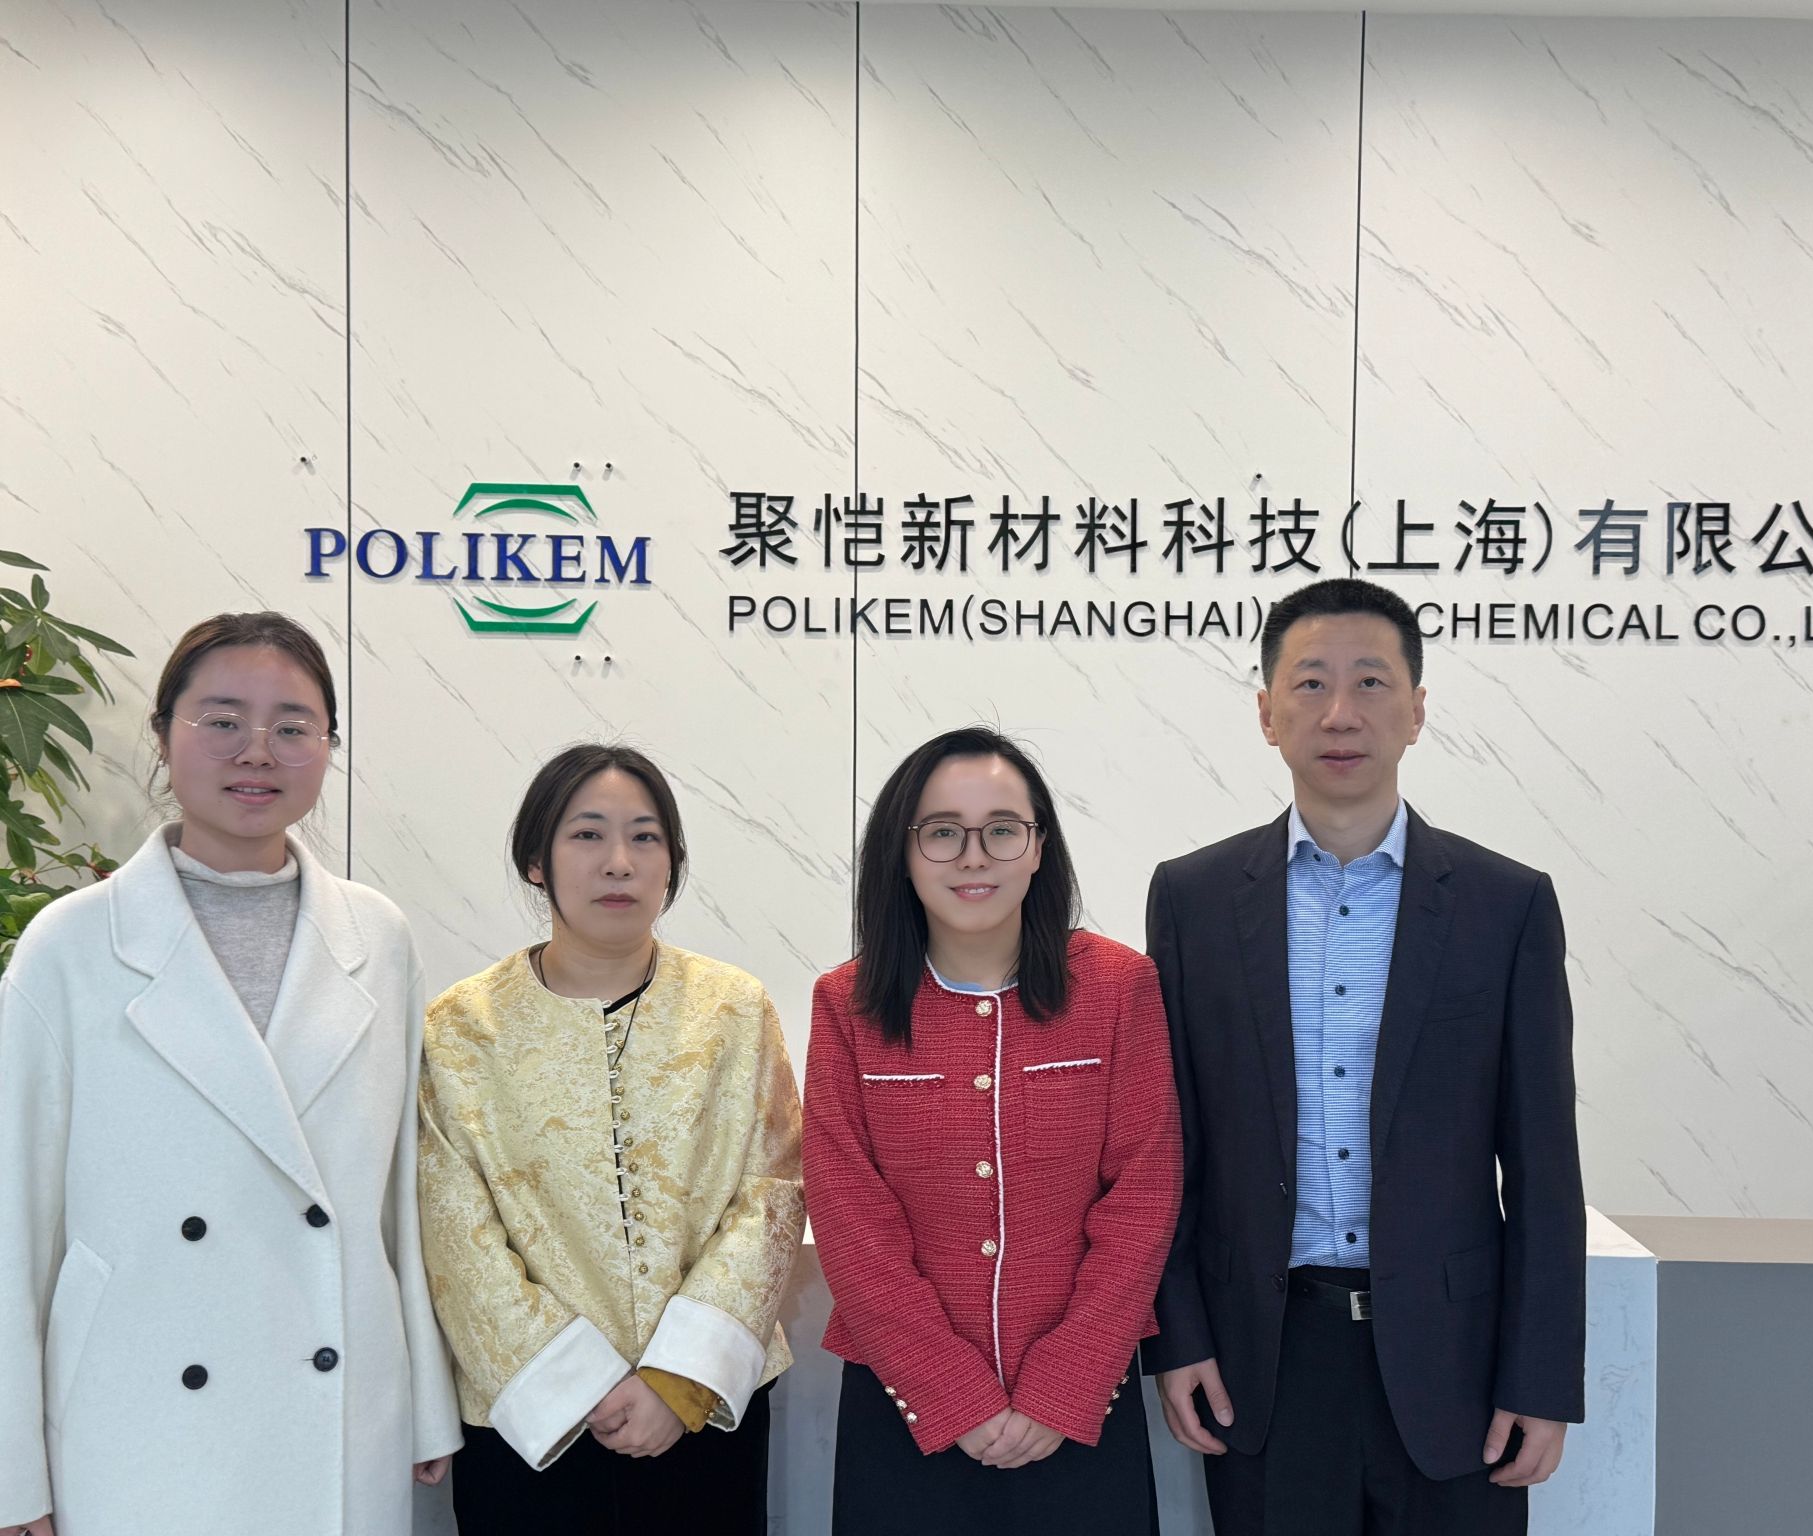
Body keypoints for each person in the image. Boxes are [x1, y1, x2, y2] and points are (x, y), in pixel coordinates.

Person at [0, 611, 461, 1536]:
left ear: (328, 747)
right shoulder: (71, 944)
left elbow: (406, 1198)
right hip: (135, 1407)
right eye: (221, 720)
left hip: (341, 1403)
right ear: (163, 735)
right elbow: (14, 1212)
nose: (258, 751)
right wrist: (13, 1470)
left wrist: (425, 1401)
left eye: (293, 726)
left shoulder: (378, 937)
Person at [1146, 578, 1585, 1536]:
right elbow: (1168, 1146)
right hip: (1264, 1360)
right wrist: (1177, 1337)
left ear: (1417, 711)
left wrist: (1542, 1377)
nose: (1340, 713)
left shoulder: (1504, 905)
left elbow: (1544, 1165)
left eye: (1372, 682)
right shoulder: (1194, 900)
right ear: (1266, 713)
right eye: (1309, 683)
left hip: (1456, 1365)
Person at [417, 743, 803, 1536]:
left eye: (645, 837)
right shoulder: (461, 1026)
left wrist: (678, 1380)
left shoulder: (733, 1009)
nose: (619, 862)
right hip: (532, 1423)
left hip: (701, 1414)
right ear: (536, 860)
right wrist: (576, 1383)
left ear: (672, 862)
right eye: (587, 835)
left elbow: (773, 1192)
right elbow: (452, 1229)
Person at [805, 727, 1180, 1535]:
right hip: (903, 1411)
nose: (973, 857)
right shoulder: (849, 1003)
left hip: (1081, 1410)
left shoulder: (1118, 986)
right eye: (943, 832)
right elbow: (849, 1218)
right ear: (902, 852)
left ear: (1039, 847)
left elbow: (1143, 1199)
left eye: (1002, 830)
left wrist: (1064, 1387)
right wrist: (950, 1393)